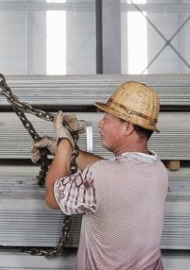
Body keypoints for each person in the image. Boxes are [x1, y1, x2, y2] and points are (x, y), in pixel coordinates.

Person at [39, 80, 168, 270]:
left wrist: (64, 146)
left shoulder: (103, 176)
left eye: (107, 118)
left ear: (128, 127)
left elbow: (51, 197)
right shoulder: (158, 170)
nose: (100, 124)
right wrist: (74, 154)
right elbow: (115, 175)